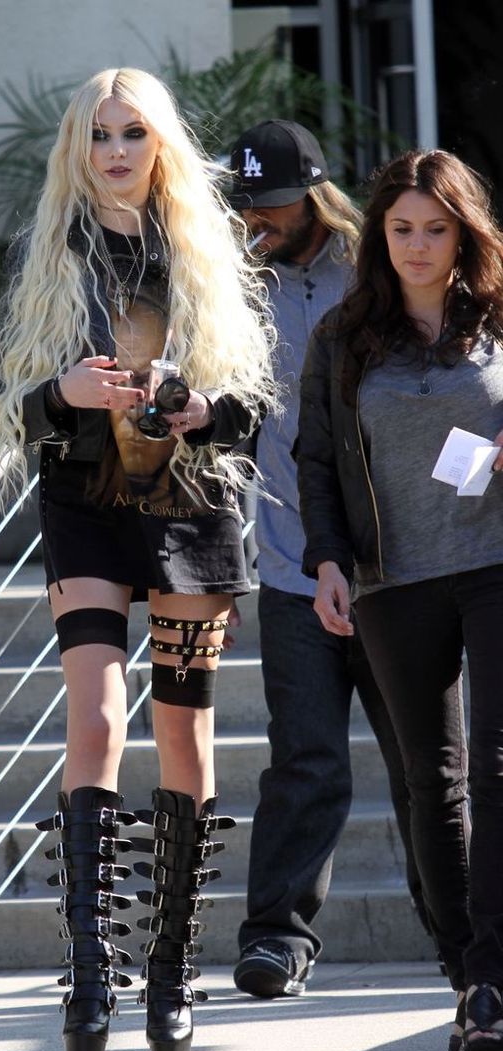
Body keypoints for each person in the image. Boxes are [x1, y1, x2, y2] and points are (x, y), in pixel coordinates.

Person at [0, 68, 275, 1051]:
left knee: (183, 734)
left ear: (160, 146)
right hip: (84, 513)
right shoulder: (55, 254)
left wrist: (201, 408)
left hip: (192, 511)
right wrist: (62, 392)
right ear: (80, 146)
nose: (115, 149)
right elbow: (19, 415)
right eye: (100, 133)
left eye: (133, 133)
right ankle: (88, 973)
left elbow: (249, 404)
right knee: (98, 718)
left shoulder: (201, 252)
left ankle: (169, 977)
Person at [298, 147, 503, 1051]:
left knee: (496, 770)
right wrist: (329, 560)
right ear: (379, 236)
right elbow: (313, 461)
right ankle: (469, 975)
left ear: (465, 233)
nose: (419, 247)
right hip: (391, 578)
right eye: (402, 229)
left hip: (496, 562)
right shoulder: (342, 338)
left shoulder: (500, 320)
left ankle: (496, 973)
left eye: (436, 229)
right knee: (435, 781)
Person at [226, 120, 428, 999]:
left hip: (398, 565)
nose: (254, 220)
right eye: (244, 205)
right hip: (286, 565)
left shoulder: (378, 269)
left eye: (270, 204)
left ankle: (462, 937)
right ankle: (277, 938)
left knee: (427, 763)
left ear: (312, 192)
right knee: (304, 759)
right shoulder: (226, 289)